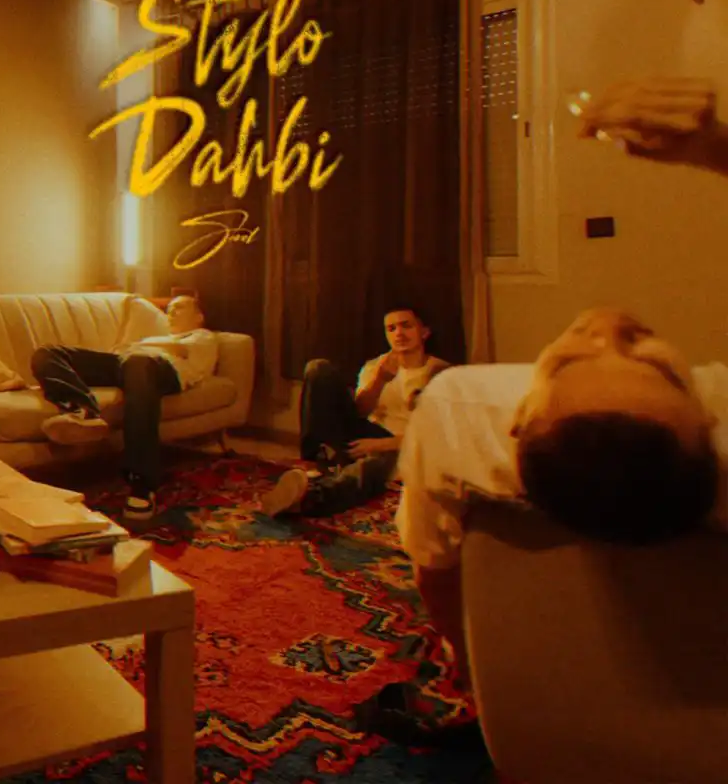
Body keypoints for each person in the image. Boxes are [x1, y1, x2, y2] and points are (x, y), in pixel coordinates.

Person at [376, 80, 728, 744]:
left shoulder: (460, 408)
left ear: (515, 420)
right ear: (709, 418)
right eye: (654, 364)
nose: (607, 322)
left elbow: (434, 570)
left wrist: (461, 653)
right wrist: (718, 149)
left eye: (567, 364)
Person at [30, 295, 219, 520]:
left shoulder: (203, 336)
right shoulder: (155, 338)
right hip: (127, 363)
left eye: (179, 307)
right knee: (47, 353)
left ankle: (142, 484)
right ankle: (81, 411)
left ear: (198, 316)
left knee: (138, 362)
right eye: (168, 308)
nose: (171, 312)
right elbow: (120, 353)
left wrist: (138, 345)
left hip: (162, 370)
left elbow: (181, 352)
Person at [261, 307, 450, 517]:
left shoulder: (440, 373)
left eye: (406, 326)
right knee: (318, 369)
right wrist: (380, 380)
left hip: (404, 444)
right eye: (391, 328)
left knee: (373, 466)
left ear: (424, 332)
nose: (399, 333)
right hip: (366, 433)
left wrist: (382, 444)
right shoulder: (376, 366)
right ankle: (315, 462)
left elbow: (437, 434)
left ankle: (310, 497)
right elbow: (359, 412)